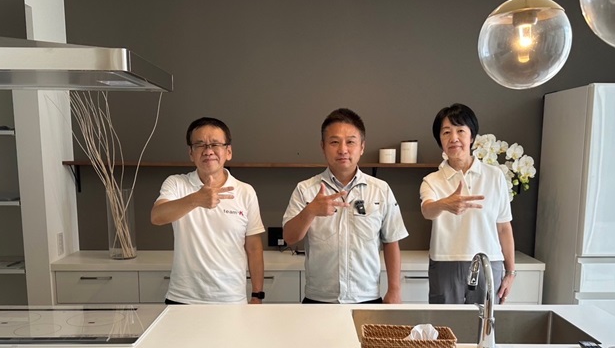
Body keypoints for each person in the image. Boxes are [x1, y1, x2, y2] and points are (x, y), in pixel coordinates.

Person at [283, 108, 408, 304]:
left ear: (362, 147)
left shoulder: (380, 190)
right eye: (334, 142)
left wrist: (394, 290)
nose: (343, 150)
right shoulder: (305, 189)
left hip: (366, 297)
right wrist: (311, 211)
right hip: (319, 299)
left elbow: (391, 241)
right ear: (323, 146)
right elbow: (290, 237)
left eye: (350, 142)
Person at [151, 117, 265, 304]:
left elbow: (253, 248)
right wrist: (195, 199)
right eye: (200, 145)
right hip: (183, 298)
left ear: (228, 151)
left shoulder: (245, 191)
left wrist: (257, 294)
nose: (208, 151)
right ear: (191, 153)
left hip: (231, 299)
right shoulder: (177, 184)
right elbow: (157, 216)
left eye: (215, 144)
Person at [420, 103, 516, 304]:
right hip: (445, 262)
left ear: (472, 136)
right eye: (446, 132)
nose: (453, 138)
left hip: (489, 261)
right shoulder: (432, 180)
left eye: (460, 131)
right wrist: (444, 204)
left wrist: (510, 272)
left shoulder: (495, 176)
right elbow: (427, 210)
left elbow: (504, 227)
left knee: (485, 321)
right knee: (445, 322)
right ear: (440, 140)